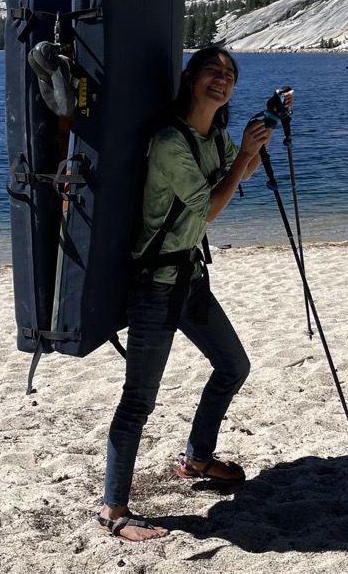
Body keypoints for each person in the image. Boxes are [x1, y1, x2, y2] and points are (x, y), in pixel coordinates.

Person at [96, 45, 284, 542]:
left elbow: (234, 173)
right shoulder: (169, 142)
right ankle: (114, 513)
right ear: (191, 79)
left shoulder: (213, 137)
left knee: (233, 366)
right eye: (212, 72)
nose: (222, 81)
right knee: (138, 400)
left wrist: (260, 130)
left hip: (190, 278)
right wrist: (245, 151)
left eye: (230, 75)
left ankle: (197, 459)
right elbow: (206, 212)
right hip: (156, 285)